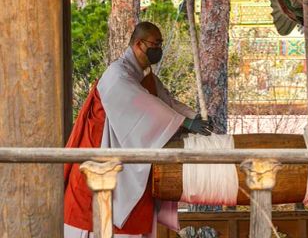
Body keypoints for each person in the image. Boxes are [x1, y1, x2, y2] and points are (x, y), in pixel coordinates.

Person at [64, 22, 211, 238]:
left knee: (135, 209)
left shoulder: (144, 74)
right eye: (156, 43)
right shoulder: (117, 74)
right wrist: (184, 123)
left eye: (160, 43)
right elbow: (144, 105)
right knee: (93, 207)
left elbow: (166, 102)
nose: (159, 48)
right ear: (139, 44)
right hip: (101, 151)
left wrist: (193, 117)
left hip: (127, 156)